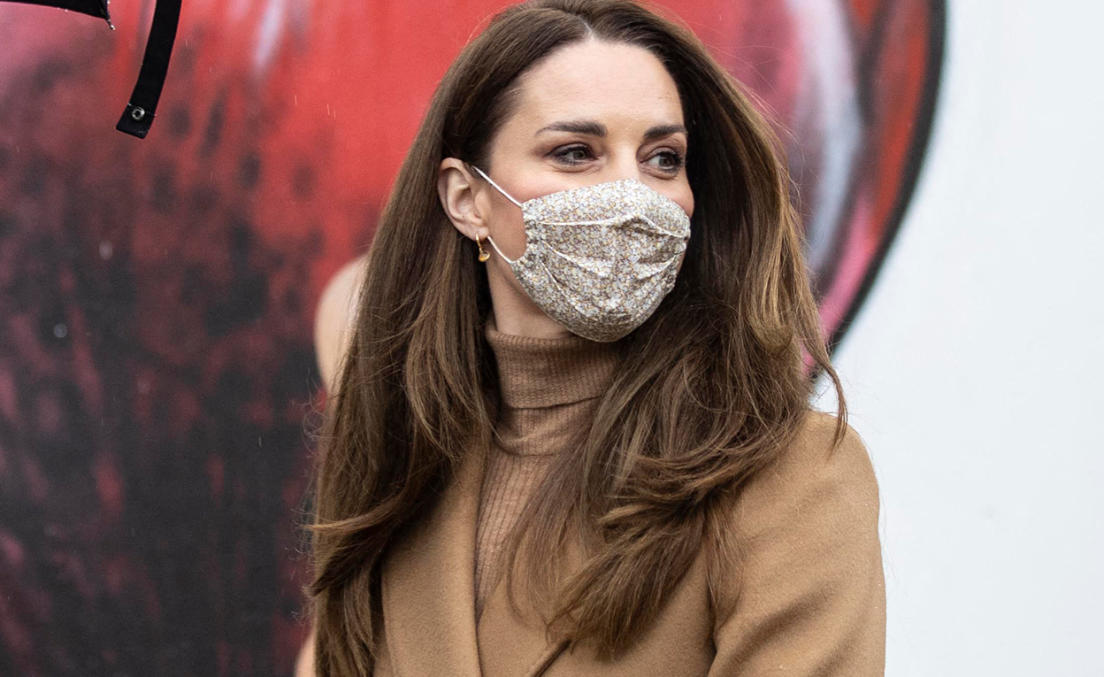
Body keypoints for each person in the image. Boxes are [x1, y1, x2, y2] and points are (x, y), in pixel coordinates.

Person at [298, 0, 885, 674]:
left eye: (664, 159)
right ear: (467, 199)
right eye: (576, 153)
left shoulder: (783, 474)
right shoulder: (400, 468)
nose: (633, 196)